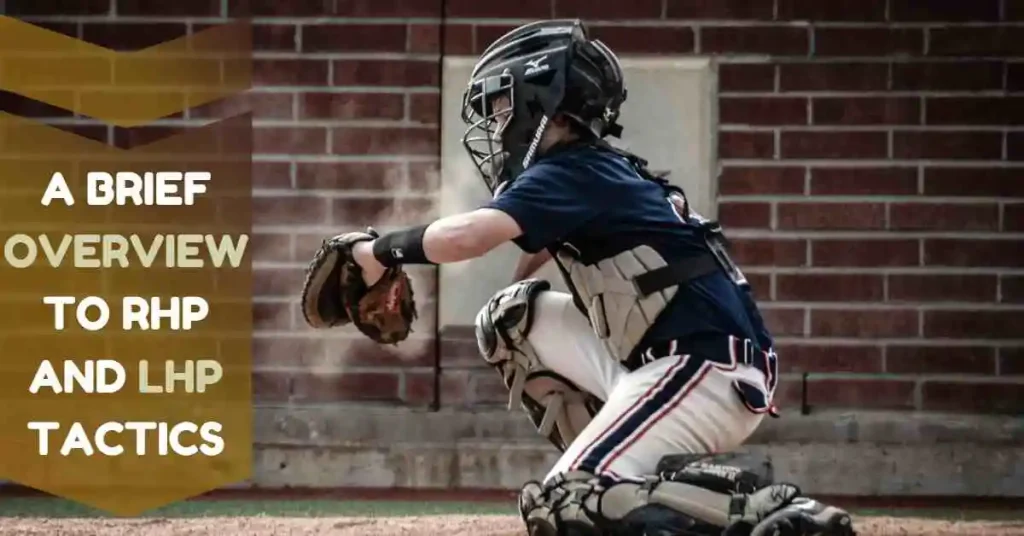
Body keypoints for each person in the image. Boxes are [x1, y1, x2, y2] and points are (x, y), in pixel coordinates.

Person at [348, 19, 855, 536]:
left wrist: (380, 252)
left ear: (541, 104)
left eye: (503, 107)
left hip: (701, 372)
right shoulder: (592, 170)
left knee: (563, 504)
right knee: (510, 320)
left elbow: (468, 236)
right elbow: (538, 246)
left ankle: (764, 517)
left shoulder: (572, 171)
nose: (497, 125)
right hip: (679, 362)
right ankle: (624, 471)